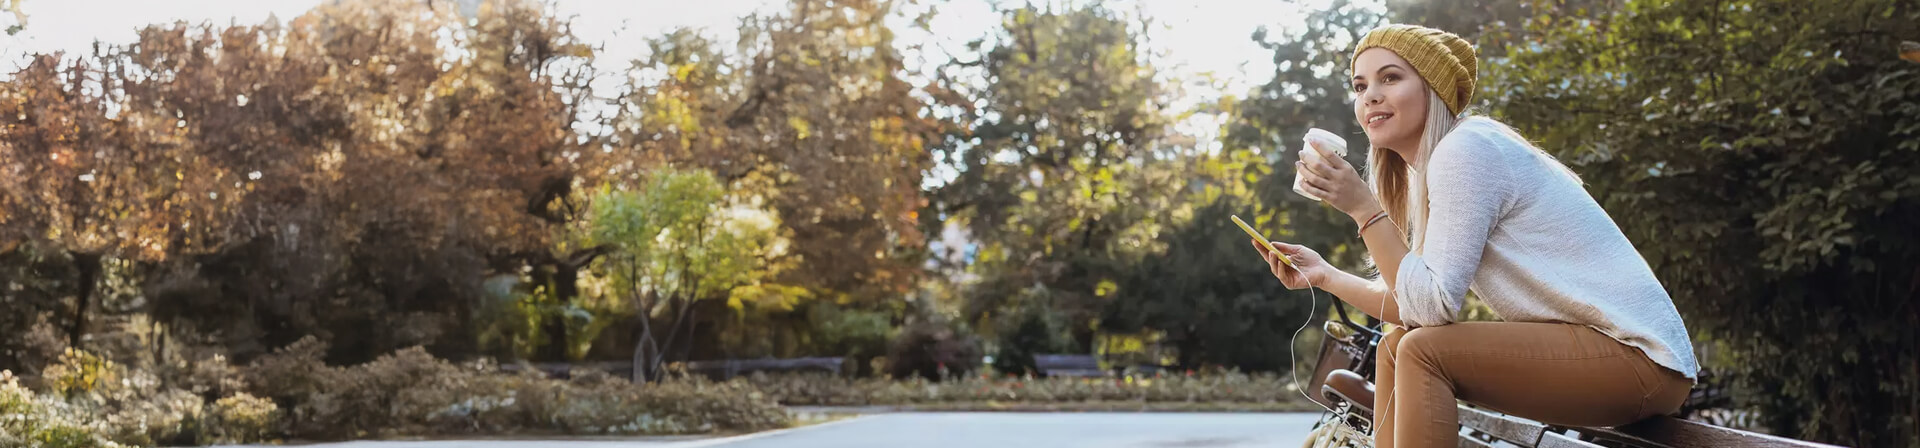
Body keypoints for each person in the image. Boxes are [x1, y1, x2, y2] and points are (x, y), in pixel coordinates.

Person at [1249, 24, 1699, 448]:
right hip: (1611, 358)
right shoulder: (1434, 170)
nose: (1371, 96)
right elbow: (1412, 306)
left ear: (1432, 89)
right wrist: (1324, 275)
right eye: (1360, 85)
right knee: (1396, 344)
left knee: (1422, 350)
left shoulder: (1466, 149)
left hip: (1639, 359)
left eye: (1390, 78)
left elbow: (1431, 310)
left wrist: (1364, 209)